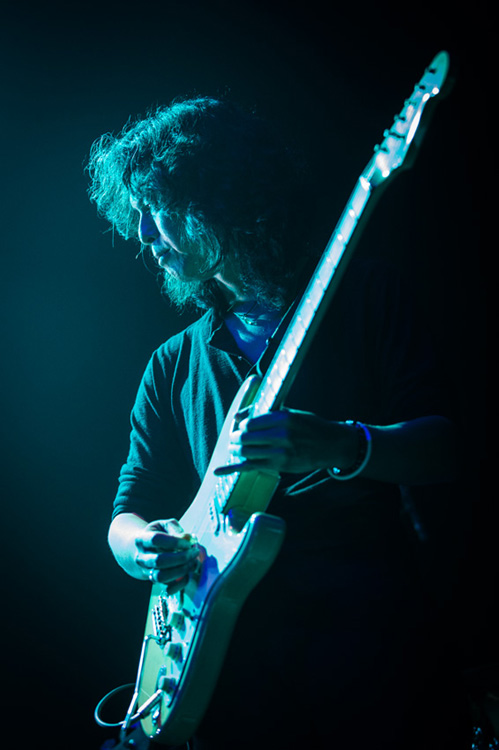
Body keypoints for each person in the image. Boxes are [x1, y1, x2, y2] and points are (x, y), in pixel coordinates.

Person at [87, 96, 470, 749]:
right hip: (231, 681)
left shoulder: (365, 297)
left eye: (157, 209)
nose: (144, 235)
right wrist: (141, 546)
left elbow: (448, 450)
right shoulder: (172, 365)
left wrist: (343, 443)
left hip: (374, 664)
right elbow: (128, 511)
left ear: (217, 197)